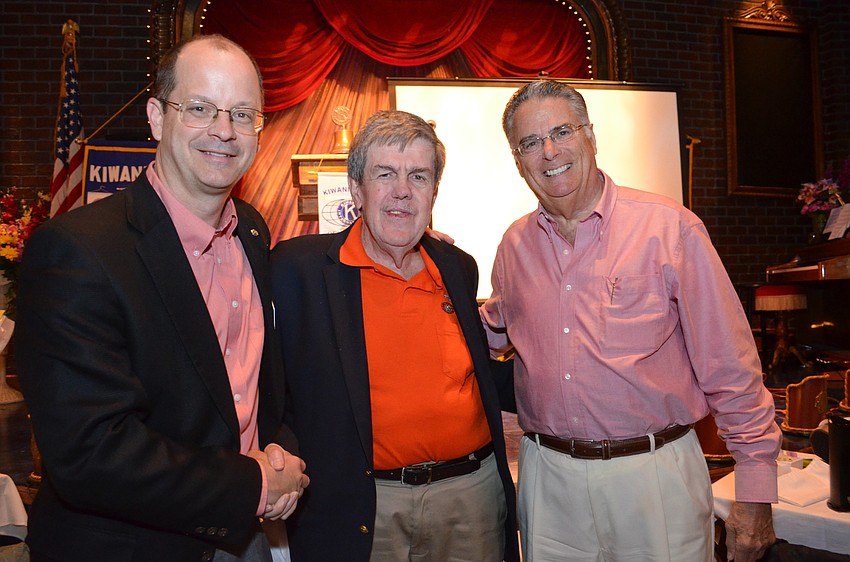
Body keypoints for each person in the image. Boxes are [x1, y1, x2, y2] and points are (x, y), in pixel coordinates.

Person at [16, 34, 308, 562]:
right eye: (200, 108)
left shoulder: (254, 235)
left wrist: (278, 449)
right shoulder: (80, 250)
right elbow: (89, 452)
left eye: (243, 115)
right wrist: (252, 485)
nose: (224, 131)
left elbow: (254, 388)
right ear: (155, 116)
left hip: (250, 538)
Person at [479, 80, 782, 562]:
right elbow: (495, 327)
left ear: (591, 136)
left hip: (654, 477)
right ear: (518, 160)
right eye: (530, 142)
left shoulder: (670, 229)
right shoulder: (513, 247)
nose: (549, 151)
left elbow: (731, 365)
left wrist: (755, 488)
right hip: (548, 480)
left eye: (562, 131)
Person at [270, 110, 520, 562]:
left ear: (434, 191)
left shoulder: (457, 268)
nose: (402, 190)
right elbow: (271, 388)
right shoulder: (296, 271)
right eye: (385, 174)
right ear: (356, 188)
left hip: (470, 501)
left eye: (418, 176)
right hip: (364, 507)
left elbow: (479, 373)